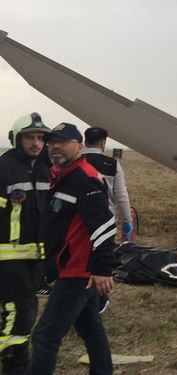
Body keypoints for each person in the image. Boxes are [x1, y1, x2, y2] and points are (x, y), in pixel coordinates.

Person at [27, 123, 116, 375]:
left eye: (63, 141)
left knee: (45, 337)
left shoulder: (84, 178)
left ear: (79, 146)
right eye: (52, 141)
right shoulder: (62, 175)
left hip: (77, 271)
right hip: (71, 268)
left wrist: (102, 269)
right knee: (91, 329)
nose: (55, 146)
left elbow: (105, 224)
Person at [0, 113, 50, 375]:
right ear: (16, 139)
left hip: (36, 255)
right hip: (7, 255)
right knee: (17, 310)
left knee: (27, 307)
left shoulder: (46, 169)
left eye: (41, 138)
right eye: (29, 137)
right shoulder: (4, 168)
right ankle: (15, 364)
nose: (35, 143)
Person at [81, 127, 133, 241]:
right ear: (103, 143)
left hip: (78, 221)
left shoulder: (74, 162)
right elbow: (121, 195)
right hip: (106, 222)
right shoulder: (112, 164)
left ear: (85, 142)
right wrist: (127, 220)